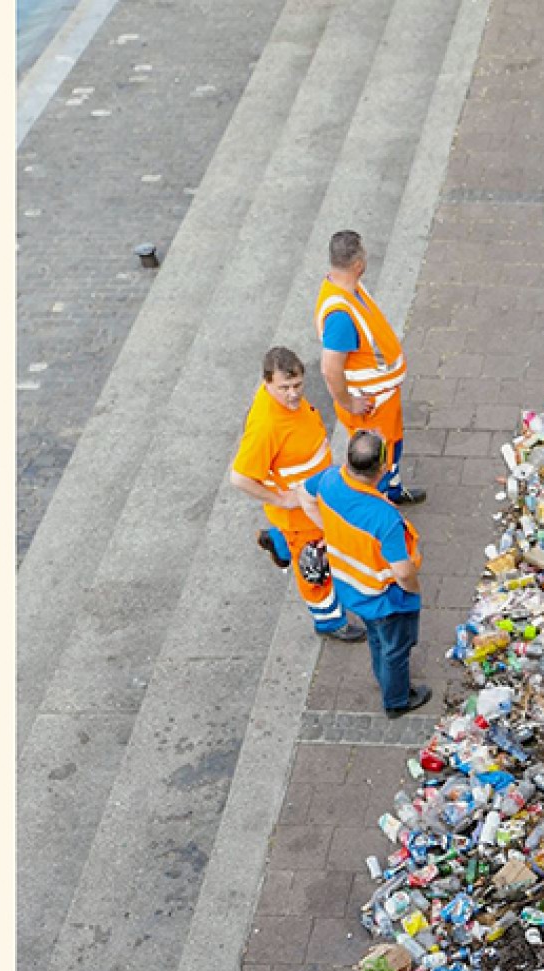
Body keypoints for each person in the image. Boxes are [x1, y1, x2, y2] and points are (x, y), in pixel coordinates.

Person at [228, 346, 366, 642]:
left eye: (298, 385)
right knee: (314, 565)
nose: (293, 394)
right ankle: (329, 621)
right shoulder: (266, 427)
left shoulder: (274, 401)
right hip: (300, 513)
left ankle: (277, 540)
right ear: (267, 383)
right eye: (284, 388)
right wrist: (282, 499)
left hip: (310, 498)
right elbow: (239, 477)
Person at [306, 429, 432, 717]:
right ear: (382, 468)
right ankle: (397, 701)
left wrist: (328, 530)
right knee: (396, 649)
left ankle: (383, 677)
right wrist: (413, 589)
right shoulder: (383, 518)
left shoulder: (330, 480)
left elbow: (304, 494)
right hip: (386, 598)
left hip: (352, 589)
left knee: (378, 640)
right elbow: (402, 572)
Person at [316, 230, 425, 505]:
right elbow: (331, 369)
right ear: (357, 264)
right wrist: (349, 402)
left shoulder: (348, 289)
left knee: (392, 447)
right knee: (378, 461)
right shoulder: (340, 315)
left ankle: (395, 491)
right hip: (370, 405)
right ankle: (382, 506)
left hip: (382, 401)